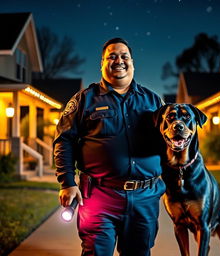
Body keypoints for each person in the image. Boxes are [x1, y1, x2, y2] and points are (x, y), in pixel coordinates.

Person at [53, 38, 166, 256]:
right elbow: (64, 141)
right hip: (99, 196)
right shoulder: (84, 100)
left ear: (132, 62)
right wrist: (66, 182)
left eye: (124, 56)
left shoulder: (153, 101)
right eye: (112, 56)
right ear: (102, 63)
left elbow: (170, 144)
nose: (119, 60)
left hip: (145, 197)